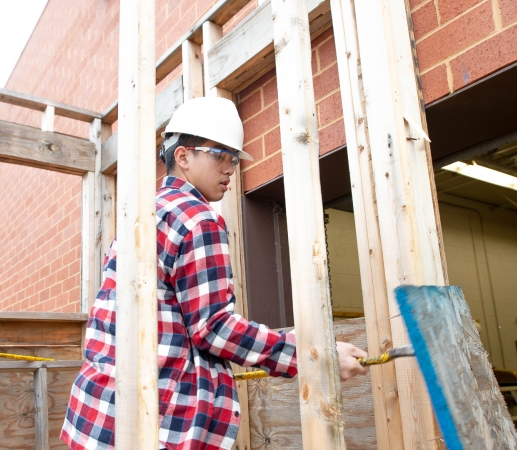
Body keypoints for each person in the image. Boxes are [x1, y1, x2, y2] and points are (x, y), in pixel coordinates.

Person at [61, 97, 369, 450]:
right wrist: (318, 356)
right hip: (158, 424)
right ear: (182, 156)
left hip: (97, 417)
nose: (230, 168)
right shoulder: (197, 219)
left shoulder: (141, 215)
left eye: (234, 158)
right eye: (218, 154)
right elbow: (213, 328)